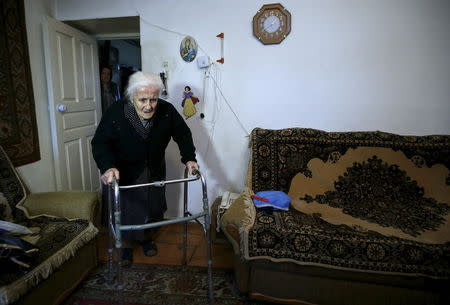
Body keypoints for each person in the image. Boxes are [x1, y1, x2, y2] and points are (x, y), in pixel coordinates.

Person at [91, 71, 199, 265]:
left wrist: (189, 158)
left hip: (153, 168)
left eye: (153, 99)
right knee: (124, 210)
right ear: (132, 97)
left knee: (151, 207)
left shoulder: (166, 110)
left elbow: (183, 134)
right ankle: (124, 245)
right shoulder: (117, 111)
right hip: (122, 171)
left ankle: (145, 239)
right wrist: (107, 167)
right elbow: (100, 143)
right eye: (142, 100)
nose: (149, 106)